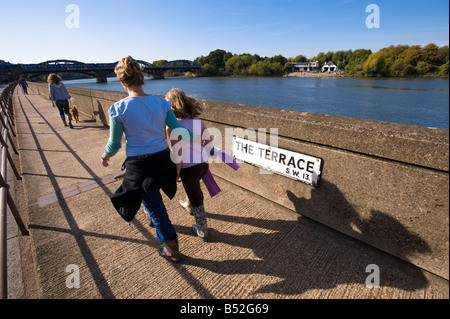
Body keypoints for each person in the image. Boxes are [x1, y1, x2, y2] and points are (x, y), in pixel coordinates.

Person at [101, 56, 194, 263]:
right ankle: (150, 215)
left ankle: (171, 248)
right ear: (142, 78)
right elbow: (179, 130)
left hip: (140, 167)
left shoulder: (118, 109)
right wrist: (198, 138)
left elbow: (115, 144)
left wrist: (105, 156)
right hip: (164, 162)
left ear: (122, 82)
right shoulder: (161, 104)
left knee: (157, 209)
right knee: (153, 200)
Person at [165, 88, 214, 241]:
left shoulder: (171, 127)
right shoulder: (197, 121)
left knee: (197, 198)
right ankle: (188, 205)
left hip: (188, 168)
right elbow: (209, 141)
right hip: (203, 164)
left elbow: (177, 153)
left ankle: (202, 229)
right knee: (194, 188)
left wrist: (177, 172)